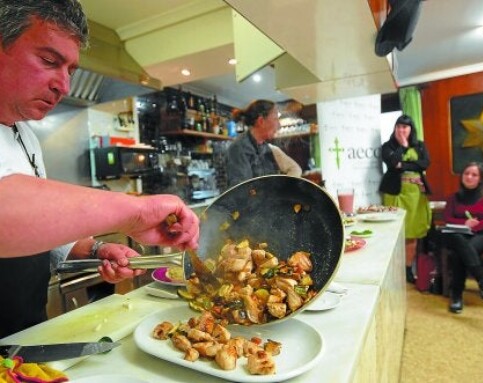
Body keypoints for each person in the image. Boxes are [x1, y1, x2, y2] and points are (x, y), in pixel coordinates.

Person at [0, 0, 199, 337]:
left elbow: (35, 226)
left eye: (71, 71)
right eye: (49, 61)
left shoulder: (26, 136)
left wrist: (94, 249)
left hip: (22, 336)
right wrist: (135, 212)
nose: (63, 85)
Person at [379, 114, 432, 283]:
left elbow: (425, 164)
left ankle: (408, 269)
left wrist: (404, 165)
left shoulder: (420, 146)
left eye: (405, 127)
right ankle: (393, 269)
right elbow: (393, 163)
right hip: (395, 193)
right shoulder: (387, 146)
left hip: (416, 195)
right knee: (394, 233)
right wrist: (402, 147)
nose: (401, 130)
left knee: (412, 234)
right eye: (399, 127)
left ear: (411, 129)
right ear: (395, 128)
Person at [442, 162, 483, 313]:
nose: (469, 177)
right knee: (459, 243)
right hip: (459, 235)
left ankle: (456, 295)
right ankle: (482, 283)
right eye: (466, 173)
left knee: (460, 252)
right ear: (462, 177)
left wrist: (476, 226)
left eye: (474, 175)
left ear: (480, 179)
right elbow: (447, 218)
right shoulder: (453, 198)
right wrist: (465, 223)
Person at [226, 99, 301, 187]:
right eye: (275, 118)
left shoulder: (267, 148)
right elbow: (242, 192)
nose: (279, 125)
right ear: (261, 121)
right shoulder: (239, 149)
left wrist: (282, 191)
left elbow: (295, 169)